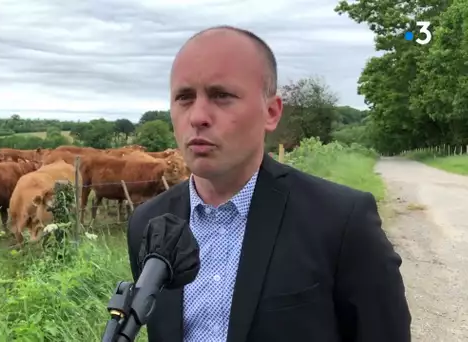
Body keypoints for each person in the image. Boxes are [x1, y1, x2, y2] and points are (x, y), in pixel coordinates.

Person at [126, 25, 411, 342]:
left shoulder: (342, 222)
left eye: (222, 96)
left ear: (271, 112)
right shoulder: (148, 226)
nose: (198, 116)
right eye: (184, 97)